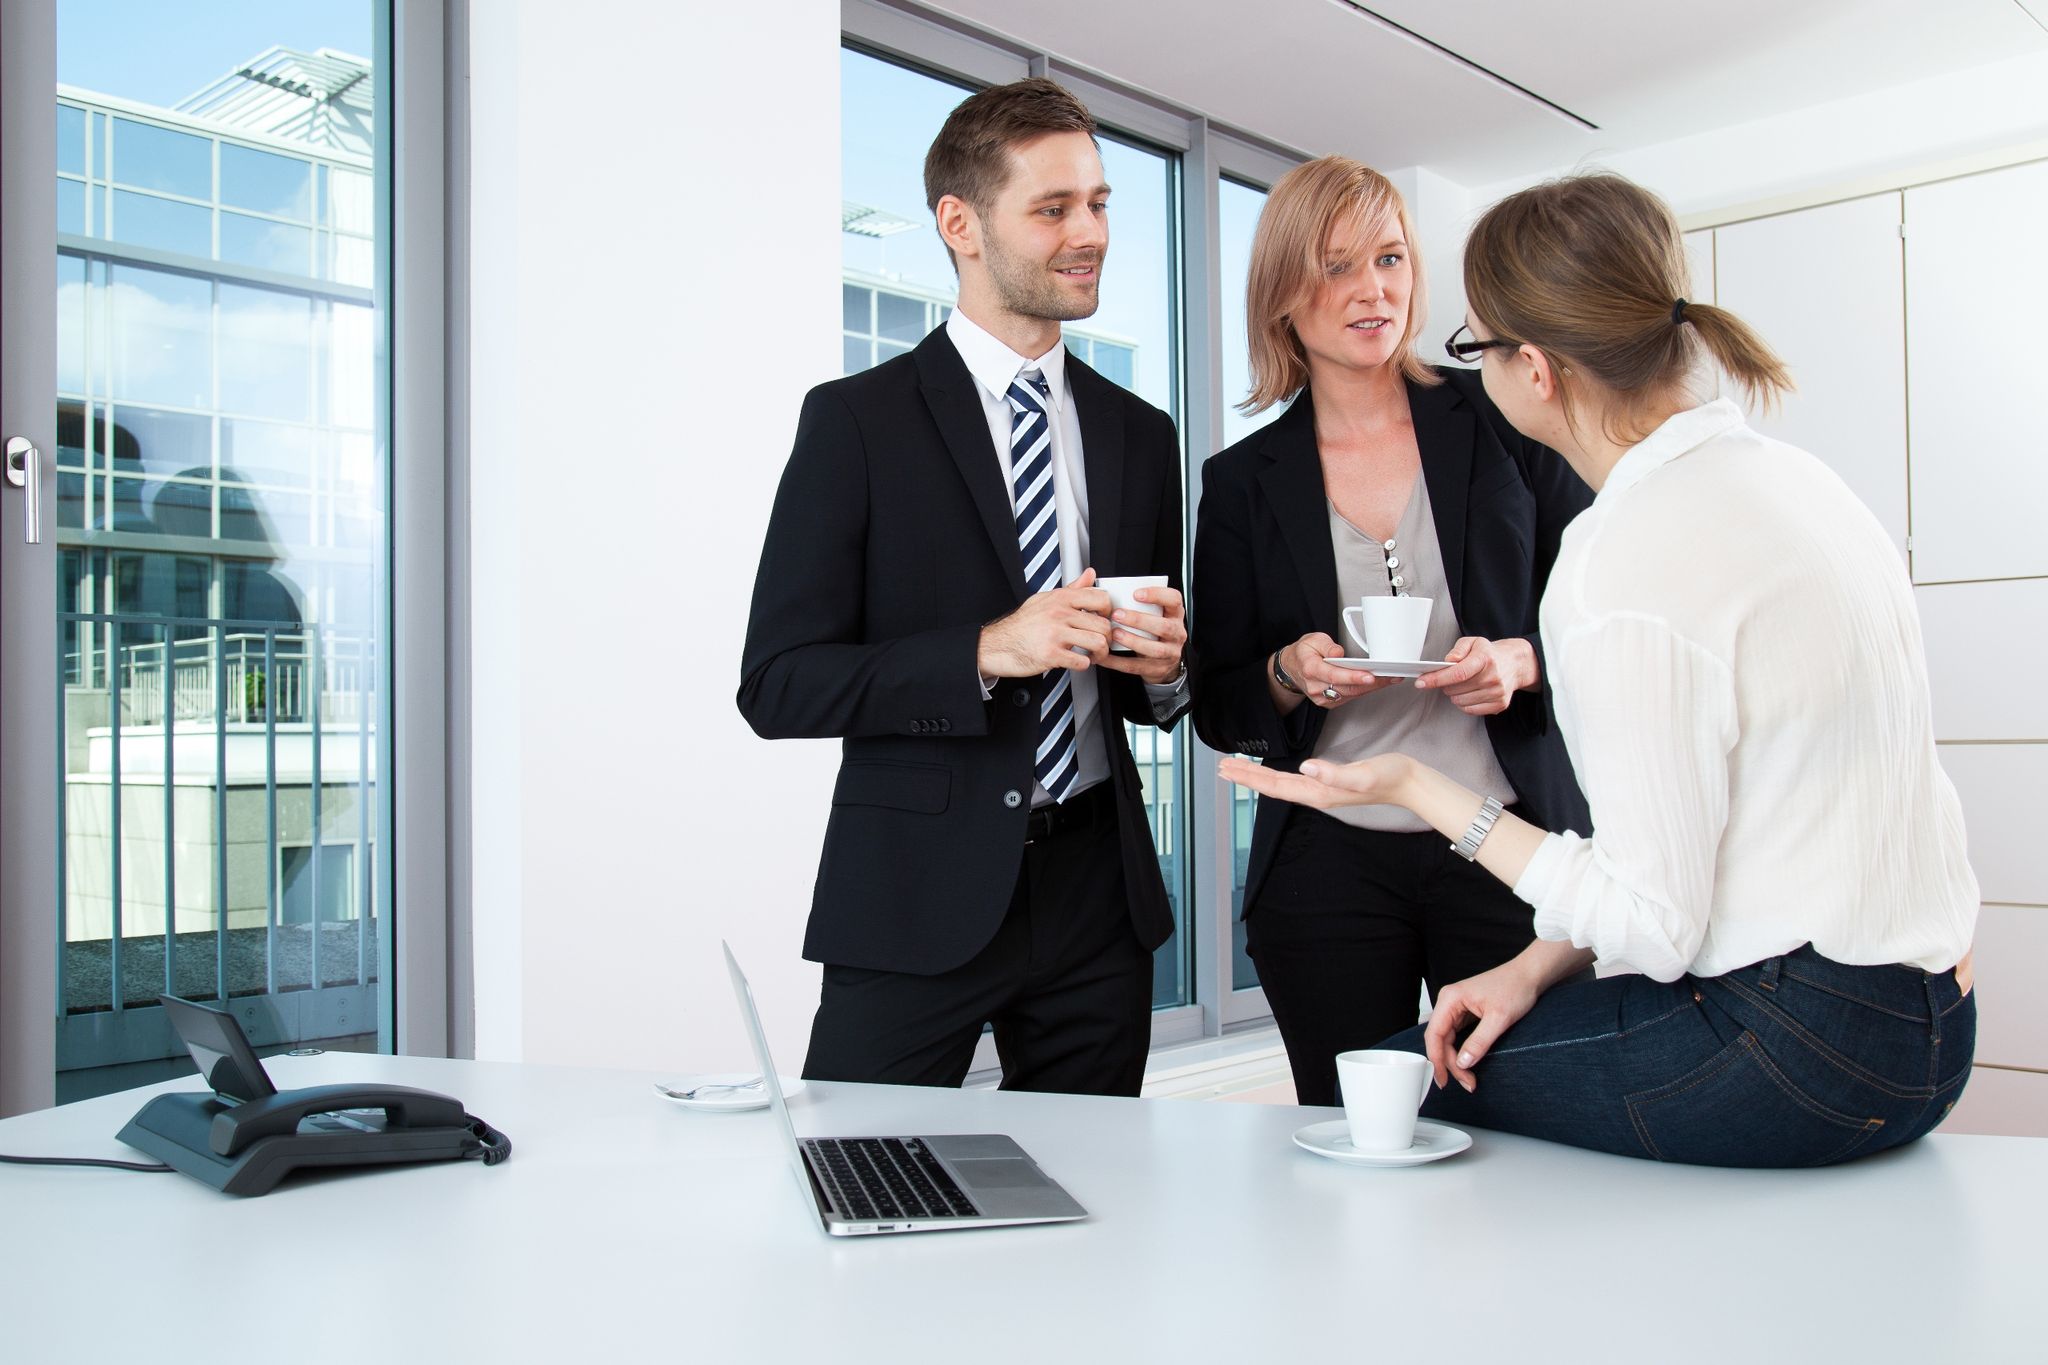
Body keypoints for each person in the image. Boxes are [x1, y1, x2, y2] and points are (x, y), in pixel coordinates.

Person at [1222, 172, 1978, 1166]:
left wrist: (1418, 786)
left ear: (1532, 369)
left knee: (1388, 1093)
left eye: (1475, 345)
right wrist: (1530, 971)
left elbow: (1650, 927)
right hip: (1932, 1024)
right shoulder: (1799, 482)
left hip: (1791, 1041)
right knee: (1482, 1059)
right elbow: (1685, 862)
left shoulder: (1617, 559)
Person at [738, 78, 1190, 1097]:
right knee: (859, 1173)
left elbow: (1148, 680)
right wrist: (989, 650)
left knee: (1094, 1202)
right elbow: (777, 684)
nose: (1091, 235)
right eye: (1053, 209)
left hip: (1095, 896)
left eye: (1100, 204)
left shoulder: (1138, 436)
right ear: (960, 224)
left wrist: (1163, 669)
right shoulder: (855, 424)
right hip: (910, 889)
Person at [1190, 157, 1591, 1107]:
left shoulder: (1506, 420)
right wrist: (1288, 672)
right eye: (1336, 266)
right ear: (1284, 292)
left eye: (1391, 258)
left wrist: (1520, 661)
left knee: (1522, 1134)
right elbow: (1218, 700)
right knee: (1349, 1136)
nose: (1373, 290)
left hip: (1502, 843)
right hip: (1326, 866)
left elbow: (1608, 611)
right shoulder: (1243, 480)